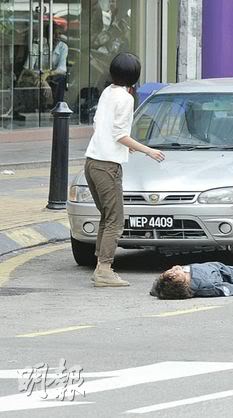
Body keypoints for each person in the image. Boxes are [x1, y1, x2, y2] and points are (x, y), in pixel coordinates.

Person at [84, 53, 165, 287]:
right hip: (107, 166)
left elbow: (100, 125)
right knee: (115, 220)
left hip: (92, 161)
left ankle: (101, 265)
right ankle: (104, 270)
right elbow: (120, 134)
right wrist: (147, 150)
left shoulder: (107, 92)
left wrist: (121, 146)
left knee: (107, 217)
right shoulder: (126, 98)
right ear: (135, 76)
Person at [48, 28, 68, 105]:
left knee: (61, 78)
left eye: (59, 33)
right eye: (54, 33)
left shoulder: (63, 46)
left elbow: (62, 69)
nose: (57, 36)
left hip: (55, 75)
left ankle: (58, 106)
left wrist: (49, 73)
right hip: (43, 74)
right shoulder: (43, 45)